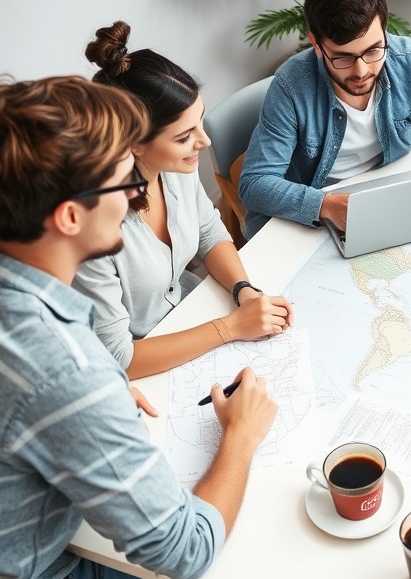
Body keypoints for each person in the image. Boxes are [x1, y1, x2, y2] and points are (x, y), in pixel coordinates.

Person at [0, 76, 278, 579]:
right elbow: (186, 549)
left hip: (7, 549)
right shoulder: (68, 370)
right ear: (70, 216)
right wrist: (240, 435)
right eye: (125, 178)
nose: (139, 191)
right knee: (253, 558)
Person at [73, 22, 293, 383]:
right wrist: (229, 328)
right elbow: (118, 358)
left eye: (200, 123)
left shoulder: (174, 168)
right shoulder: (92, 225)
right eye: (183, 136)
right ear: (133, 144)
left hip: (196, 320)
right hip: (148, 369)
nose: (204, 142)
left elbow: (209, 233)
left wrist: (245, 291)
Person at [239, 0, 411, 238]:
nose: (361, 71)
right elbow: (255, 184)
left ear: (384, 29)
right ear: (316, 43)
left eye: (373, 50)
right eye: (343, 57)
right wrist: (325, 205)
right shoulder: (290, 87)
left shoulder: (409, 60)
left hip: (386, 187)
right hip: (313, 211)